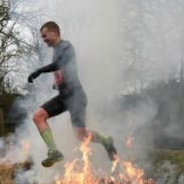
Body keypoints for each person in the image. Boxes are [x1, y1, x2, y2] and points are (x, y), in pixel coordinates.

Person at [28, 21, 117, 167]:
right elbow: (62, 70)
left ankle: (106, 141)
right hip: (64, 97)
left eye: (45, 36)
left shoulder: (66, 46)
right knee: (38, 116)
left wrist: (39, 71)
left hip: (76, 96)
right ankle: (54, 151)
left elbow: (59, 64)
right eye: (42, 37)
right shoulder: (56, 50)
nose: (43, 40)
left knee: (80, 135)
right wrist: (57, 83)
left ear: (54, 32)